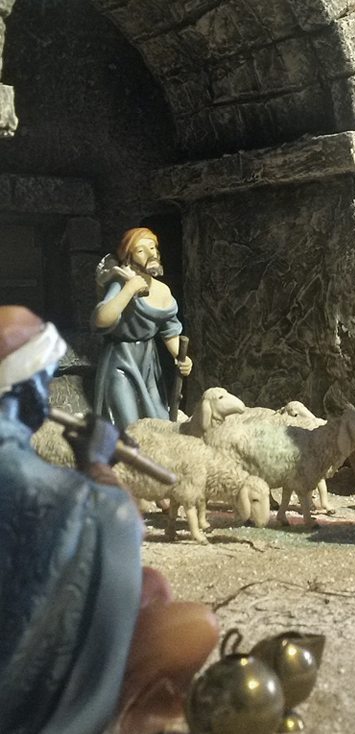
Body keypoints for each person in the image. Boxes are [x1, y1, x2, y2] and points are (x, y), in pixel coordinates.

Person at [0, 305, 217, 734]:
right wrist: (97, 463)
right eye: (44, 380)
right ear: (23, 386)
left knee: (150, 585)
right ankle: (106, 715)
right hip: (20, 686)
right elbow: (114, 519)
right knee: (195, 628)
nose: (46, 396)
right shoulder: (10, 459)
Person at [92, 227, 192, 427]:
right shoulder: (120, 285)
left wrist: (181, 357)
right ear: (128, 258)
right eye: (140, 250)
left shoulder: (163, 291)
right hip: (120, 359)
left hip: (148, 361)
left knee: (156, 417)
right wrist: (129, 289)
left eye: (152, 248)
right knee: (127, 420)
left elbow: (169, 329)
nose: (150, 254)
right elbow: (101, 319)